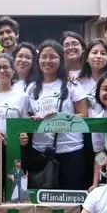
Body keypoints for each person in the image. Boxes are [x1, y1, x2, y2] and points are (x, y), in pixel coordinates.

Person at [23, 40, 89, 190]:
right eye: (44, 57)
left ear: (61, 59)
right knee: (42, 198)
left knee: (72, 196)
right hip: (41, 152)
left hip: (71, 149)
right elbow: (27, 116)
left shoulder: (72, 84)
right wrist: (33, 120)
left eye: (52, 57)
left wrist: (59, 118)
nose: (47, 61)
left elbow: (84, 115)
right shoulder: (31, 88)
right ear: (38, 60)